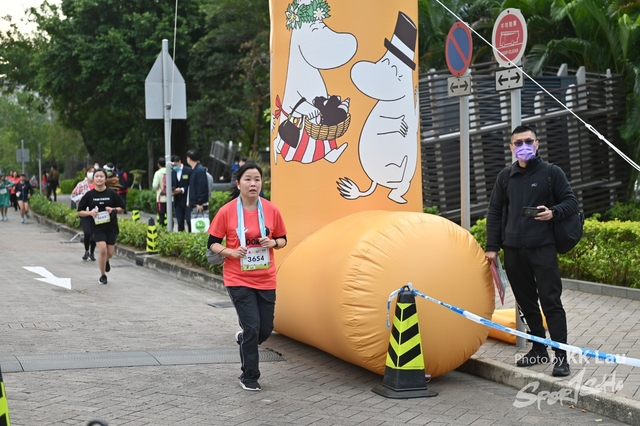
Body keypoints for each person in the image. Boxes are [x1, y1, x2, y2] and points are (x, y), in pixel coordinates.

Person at [485, 125, 579, 378]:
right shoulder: (505, 177)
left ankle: (561, 357)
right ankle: (538, 349)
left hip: (543, 249)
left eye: (528, 141)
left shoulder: (551, 173)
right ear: (511, 147)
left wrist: (553, 212)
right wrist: (492, 247)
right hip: (514, 251)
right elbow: (495, 212)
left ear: (536, 144)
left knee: (551, 302)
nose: (524, 146)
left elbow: (571, 202)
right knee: (526, 304)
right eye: (518, 143)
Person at [207, 161, 288, 391]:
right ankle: (249, 376)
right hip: (238, 278)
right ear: (238, 184)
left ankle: (244, 340)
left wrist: (273, 243)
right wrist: (231, 252)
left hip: (266, 278)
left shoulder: (271, 210)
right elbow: (212, 243)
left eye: (257, 179)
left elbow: (283, 239)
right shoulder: (227, 211)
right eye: (248, 179)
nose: (253, 184)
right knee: (252, 327)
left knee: (264, 329)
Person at [77, 169, 125, 285]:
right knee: (102, 249)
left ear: (105, 179)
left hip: (111, 226)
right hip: (97, 227)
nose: (99, 178)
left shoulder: (112, 193)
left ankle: (105, 261)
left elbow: (122, 208)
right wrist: (90, 213)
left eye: (101, 176)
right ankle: (103, 275)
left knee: (110, 253)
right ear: (93, 179)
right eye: (97, 176)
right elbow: (80, 211)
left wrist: (113, 209)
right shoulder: (89, 195)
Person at [71, 167, 96, 261]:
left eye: (93, 172)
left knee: (94, 233)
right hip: (84, 212)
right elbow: (73, 196)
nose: (91, 173)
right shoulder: (81, 185)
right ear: (86, 173)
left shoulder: (98, 184)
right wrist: (82, 196)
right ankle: (86, 251)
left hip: (96, 213)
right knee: (87, 232)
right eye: (90, 171)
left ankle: (92, 252)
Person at [152, 157, 176, 227]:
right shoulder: (171, 172)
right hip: (171, 198)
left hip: (161, 199)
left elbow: (154, 185)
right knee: (170, 216)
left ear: (158, 164)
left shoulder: (157, 173)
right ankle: (171, 229)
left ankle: (163, 230)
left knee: (161, 216)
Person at [171, 155, 192, 232]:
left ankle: (191, 235)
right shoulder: (172, 172)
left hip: (187, 200)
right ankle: (181, 237)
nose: (174, 167)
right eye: (173, 165)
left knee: (189, 221)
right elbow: (172, 184)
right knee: (180, 222)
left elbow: (191, 185)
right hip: (177, 200)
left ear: (180, 162)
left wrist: (182, 189)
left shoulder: (188, 171)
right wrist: (173, 190)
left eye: (175, 164)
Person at [186, 149, 210, 215]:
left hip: (198, 204)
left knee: (197, 221)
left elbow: (202, 187)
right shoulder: (195, 169)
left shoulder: (199, 170)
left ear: (189, 159)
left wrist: (200, 202)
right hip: (195, 203)